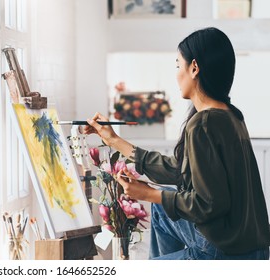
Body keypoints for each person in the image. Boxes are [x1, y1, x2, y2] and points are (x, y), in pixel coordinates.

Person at [83, 27, 270, 260]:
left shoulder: (204, 124)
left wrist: (149, 194)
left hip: (225, 252)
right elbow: (178, 169)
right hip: (250, 245)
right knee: (163, 209)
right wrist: (113, 140)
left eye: (177, 65)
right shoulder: (230, 115)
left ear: (194, 68)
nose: (176, 73)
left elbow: (208, 203)